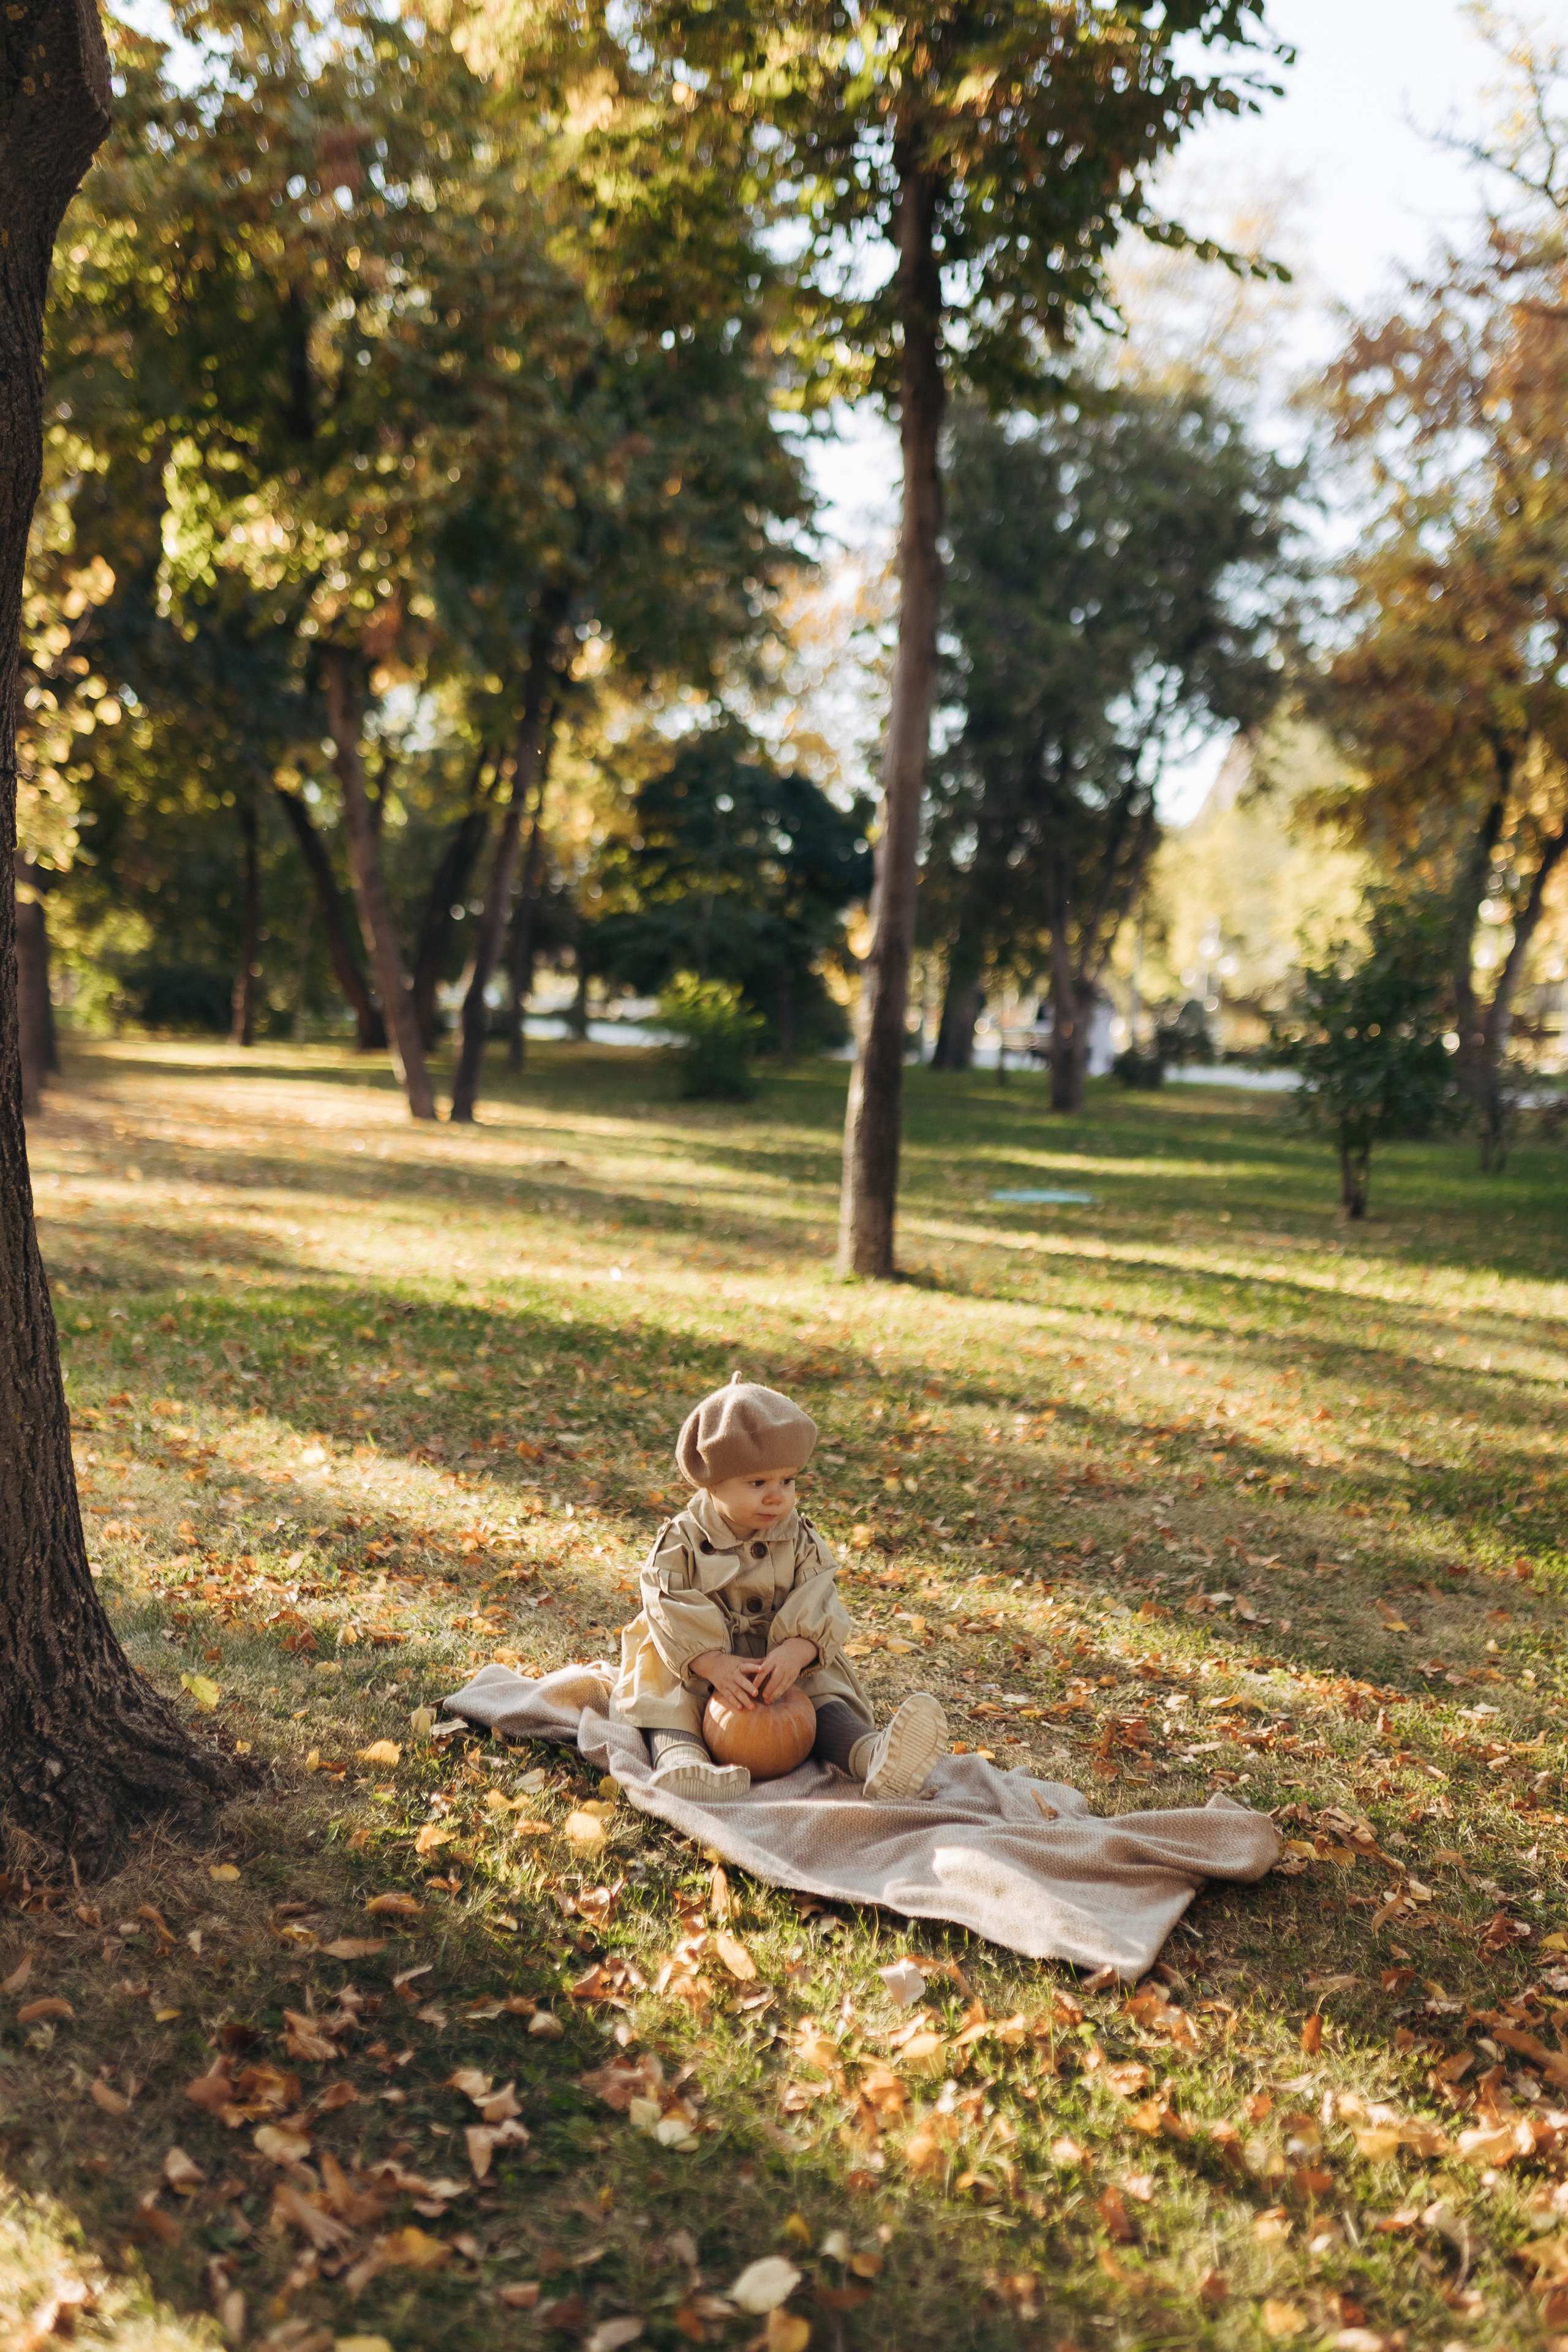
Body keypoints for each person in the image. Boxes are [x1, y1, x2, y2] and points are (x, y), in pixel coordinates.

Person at [610, 1376, 947, 1803]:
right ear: (711, 1483)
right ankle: (681, 1759)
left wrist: (798, 1651)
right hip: (696, 1658)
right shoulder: (683, 1540)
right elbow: (666, 1601)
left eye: (787, 1481)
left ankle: (873, 1755)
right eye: (758, 1484)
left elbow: (819, 1594)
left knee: (821, 1695)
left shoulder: (801, 1538)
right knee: (666, 1691)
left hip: (779, 1660)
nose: (777, 1497)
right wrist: (711, 1662)